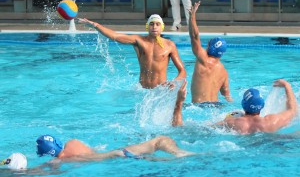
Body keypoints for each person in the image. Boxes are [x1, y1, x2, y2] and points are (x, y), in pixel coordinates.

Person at [78, 15, 186, 89]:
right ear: (148, 27)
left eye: (157, 24)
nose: (154, 27)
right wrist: (95, 25)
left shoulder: (169, 45)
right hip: (142, 90)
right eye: (152, 24)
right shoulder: (138, 41)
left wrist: (174, 82)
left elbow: (182, 71)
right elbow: (115, 36)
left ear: (161, 27)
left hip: (160, 91)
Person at [172, 79, 298, 135]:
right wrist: (287, 86)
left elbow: (182, 129)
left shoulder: (231, 123)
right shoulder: (271, 122)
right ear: (262, 106)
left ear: (243, 105)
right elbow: (292, 110)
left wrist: (179, 102)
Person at [188, 1, 232, 104]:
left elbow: (194, 36)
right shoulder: (224, 72)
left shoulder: (203, 60)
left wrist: (192, 17)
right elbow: (227, 96)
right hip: (215, 107)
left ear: (210, 47)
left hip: (198, 107)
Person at [36, 135, 196, 162]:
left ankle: (173, 159)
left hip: (115, 156)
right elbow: (92, 153)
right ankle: (179, 153)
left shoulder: (56, 163)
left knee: (151, 159)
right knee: (160, 140)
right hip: (116, 153)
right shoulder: (72, 143)